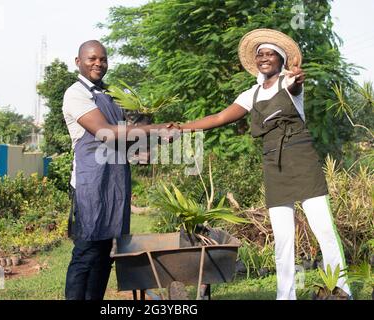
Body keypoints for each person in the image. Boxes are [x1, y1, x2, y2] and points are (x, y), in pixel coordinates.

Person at [179, 29, 351, 300]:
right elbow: (219, 117)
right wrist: (182, 127)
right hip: (274, 165)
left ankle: (341, 290)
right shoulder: (252, 94)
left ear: (281, 60)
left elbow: (295, 86)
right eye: (260, 54)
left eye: (271, 54)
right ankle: (286, 295)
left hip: (302, 161)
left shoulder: (290, 83)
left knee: (324, 230)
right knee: (283, 238)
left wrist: (296, 80)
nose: (264, 58)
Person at [62, 40, 176, 300]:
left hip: (115, 183)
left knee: (107, 252)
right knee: (86, 251)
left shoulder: (111, 96)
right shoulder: (76, 94)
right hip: (90, 183)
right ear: (78, 61)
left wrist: (153, 142)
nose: (98, 63)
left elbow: (126, 138)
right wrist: (156, 128)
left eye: (102, 59)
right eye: (92, 59)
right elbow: (106, 132)